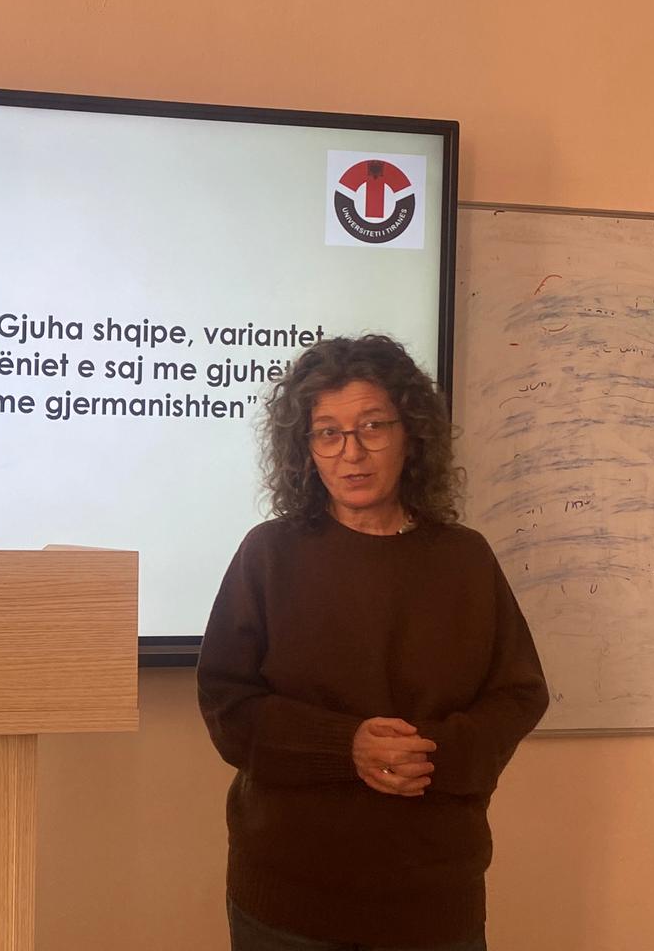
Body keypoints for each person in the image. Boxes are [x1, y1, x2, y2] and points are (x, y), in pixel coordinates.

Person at [197, 334, 548, 951]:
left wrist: (434, 753)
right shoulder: (269, 554)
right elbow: (229, 707)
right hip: (288, 902)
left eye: (372, 427)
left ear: (411, 434)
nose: (351, 453)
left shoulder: (464, 558)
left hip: (433, 900)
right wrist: (347, 748)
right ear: (305, 449)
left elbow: (519, 696)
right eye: (327, 433)